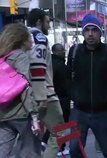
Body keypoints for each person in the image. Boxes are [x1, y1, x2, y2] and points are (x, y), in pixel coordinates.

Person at [67, 14, 107, 158]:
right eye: (87, 30)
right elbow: (66, 78)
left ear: (100, 32)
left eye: (94, 30)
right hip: (79, 112)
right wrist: (75, 95)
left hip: (103, 112)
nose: (91, 34)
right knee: (75, 149)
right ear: (83, 33)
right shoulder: (75, 51)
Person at [27, 8, 65, 158]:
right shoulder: (39, 37)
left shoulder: (20, 37)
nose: (49, 26)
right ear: (39, 22)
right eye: (47, 22)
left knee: (31, 137)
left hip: (24, 95)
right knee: (58, 133)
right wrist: (41, 95)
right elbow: (37, 67)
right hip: (45, 95)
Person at [0, 23, 41, 158]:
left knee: (3, 152)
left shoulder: (2, 58)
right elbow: (25, 87)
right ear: (22, 40)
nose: (32, 40)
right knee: (30, 153)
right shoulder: (20, 56)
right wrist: (34, 115)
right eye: (29, 37)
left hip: (3, 115)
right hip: (21, 114)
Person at [41, 43, 71, 156]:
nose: (64, 52)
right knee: (59, 126)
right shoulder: (59, 65)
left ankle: (45, 142)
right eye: (62, 50)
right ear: (57, 51)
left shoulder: (50, 63)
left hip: (51, 96)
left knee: (53, 125)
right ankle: (60, 147)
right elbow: (64, 83)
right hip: (60, 98)